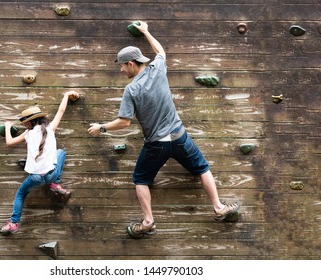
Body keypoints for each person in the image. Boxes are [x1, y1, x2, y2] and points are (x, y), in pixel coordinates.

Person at [87, 21, 239, 239]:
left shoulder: (131, 90)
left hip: (156, 144)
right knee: (203, 169)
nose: (120, 70)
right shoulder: (156, 69)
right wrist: (146, 32)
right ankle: (218, 208)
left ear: (130, 64)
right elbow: (160, 51)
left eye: (121, 65)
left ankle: (148, 222)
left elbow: (124, 122)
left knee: (140, 180)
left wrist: (100, 128)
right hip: (179, 137)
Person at [0, 91, 80, 235]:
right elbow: (61, 110)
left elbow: (9, 142)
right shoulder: (50, 128)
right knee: (61, 152)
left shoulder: (28, 133)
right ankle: (56, 183)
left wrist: (6, 127)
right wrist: (66, 95)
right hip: (51, 173)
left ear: (29, 123)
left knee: (21, 194)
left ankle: (14, 223)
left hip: (35, 177)